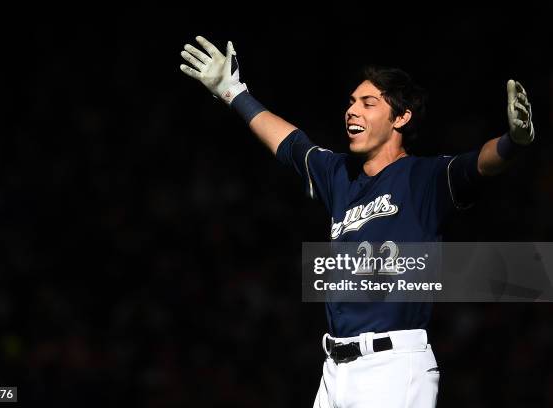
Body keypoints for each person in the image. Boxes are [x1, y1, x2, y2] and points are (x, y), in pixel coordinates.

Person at [179, 36, 535, 407]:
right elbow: (289, 144)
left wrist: (513, 141)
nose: (353, 110)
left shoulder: (424, 178)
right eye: (351, 102)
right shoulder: (340, 175)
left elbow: (477, 164)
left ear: (401, 117)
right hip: (334, 370)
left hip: (393, 368)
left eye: (368, 103)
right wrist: (234, 92)